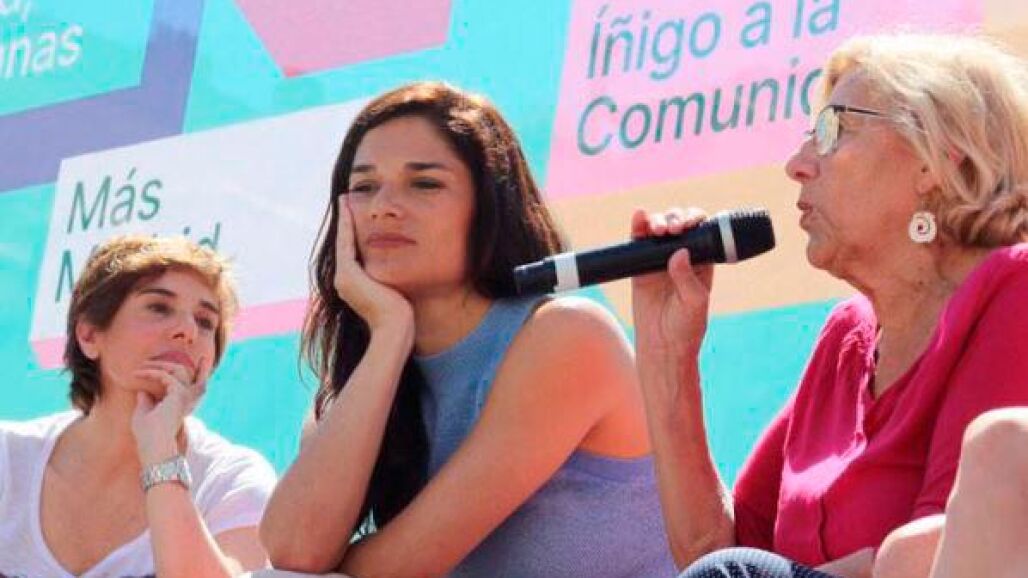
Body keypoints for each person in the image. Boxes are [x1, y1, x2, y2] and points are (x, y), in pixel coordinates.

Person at [630, 33, 1028, 578]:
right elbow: (713, 549)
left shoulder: (1014, 287)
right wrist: (666, 355)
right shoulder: (847, 335)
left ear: (935, 162)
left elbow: (948, 553)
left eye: (832, 130)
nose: (796, 164)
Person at [259, 81, 675, 577]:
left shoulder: (566, 336)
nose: (382, 207)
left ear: (489, 206)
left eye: (424, 184)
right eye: (364, 186)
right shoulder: (361, 382)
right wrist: (390, 334)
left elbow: (399, 568)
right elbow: (295, 553)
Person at [0, 235, 277, 577]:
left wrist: (160, 452)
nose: (187, 330)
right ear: (89, 335)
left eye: (206, 321)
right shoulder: (7, 458)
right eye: (159, 307)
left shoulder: (230, 480)